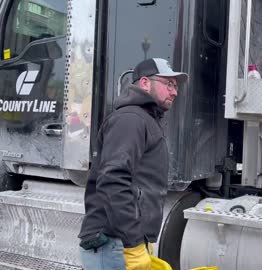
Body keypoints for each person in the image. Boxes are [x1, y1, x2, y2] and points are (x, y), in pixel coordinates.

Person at [78, 58, 187, 270]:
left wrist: (141, 239)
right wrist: (134, 244)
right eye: (168, 84)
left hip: (121, 242)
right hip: (112, 244)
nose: (175, 92)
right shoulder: (131, 119)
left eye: (176, 86)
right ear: (145, 83)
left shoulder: (144, 119)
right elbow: (112, 180)